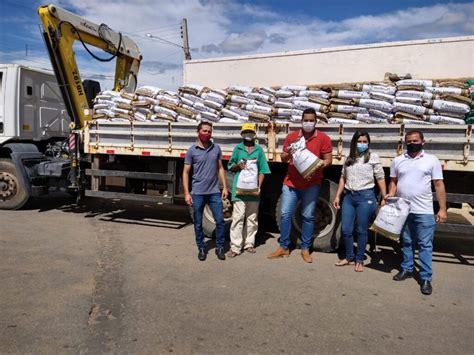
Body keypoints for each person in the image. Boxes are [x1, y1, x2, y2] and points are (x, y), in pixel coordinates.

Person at [386, 130, 447, 295]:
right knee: (406, 242)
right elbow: (393, 182)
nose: (412, 143)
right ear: (405, 143)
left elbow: (439, 185)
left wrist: (442, 209)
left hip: (424, 211)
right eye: (409, 141)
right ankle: (407, 269)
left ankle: (426, 278)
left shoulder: (431, 160)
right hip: (403, 210)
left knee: (425, 245)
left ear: (423, 142)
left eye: (415, 140)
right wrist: (391, 194)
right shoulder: (398, 160)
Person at [268, 108, 333, 263]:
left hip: (312, 184)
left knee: (308, 216)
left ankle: (305, 248)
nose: (308, 123)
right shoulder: (292, 137)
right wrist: (289, 152)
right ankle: (284, 247)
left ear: (316, 121)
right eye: (306, 120)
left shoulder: (323, 138)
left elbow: (328, 159)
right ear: (302, 121)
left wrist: (317, 166)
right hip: (291, 183)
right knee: (285, 214)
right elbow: (283, 158)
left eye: (311, 120)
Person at [333, 131, 386, 272]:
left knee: (361, 229)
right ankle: (349, 257)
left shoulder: (373, 157)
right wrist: (338, 195)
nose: (362, 144)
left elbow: (380, 177)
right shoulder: (348, 157)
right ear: (354, 142)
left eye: (365, 141)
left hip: (366, 197)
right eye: (360, 141)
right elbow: (343, 178)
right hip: (349, 197)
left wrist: (385, 197)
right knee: (346, 229)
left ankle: (359, 259)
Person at [183, 121, 229, 261]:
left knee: (220, 221)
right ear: (198, 132)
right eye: (204, 131)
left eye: (209, 131)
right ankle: (202, 248)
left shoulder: (216, 148)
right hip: (198, 193)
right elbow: (185, 172)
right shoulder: (192, 151)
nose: (207, 133)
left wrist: (225, 187)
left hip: (214, 192)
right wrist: (186, 193)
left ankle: (220, 247)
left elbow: (220, 168)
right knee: (198, 223)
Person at [227, 123, 271, 257]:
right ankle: (235, 247)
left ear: (254, 135)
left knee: (252, 218)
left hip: (253, 191)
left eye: (250, 132)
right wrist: (238, 165)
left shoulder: (258, 150)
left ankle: (249, 243)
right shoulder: (238, 149)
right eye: (245, 132)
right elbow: (230, 166)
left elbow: (263, 170)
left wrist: (259, 187)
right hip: (239, 190)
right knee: (237, 218)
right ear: (242, 134)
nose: (248, 135)